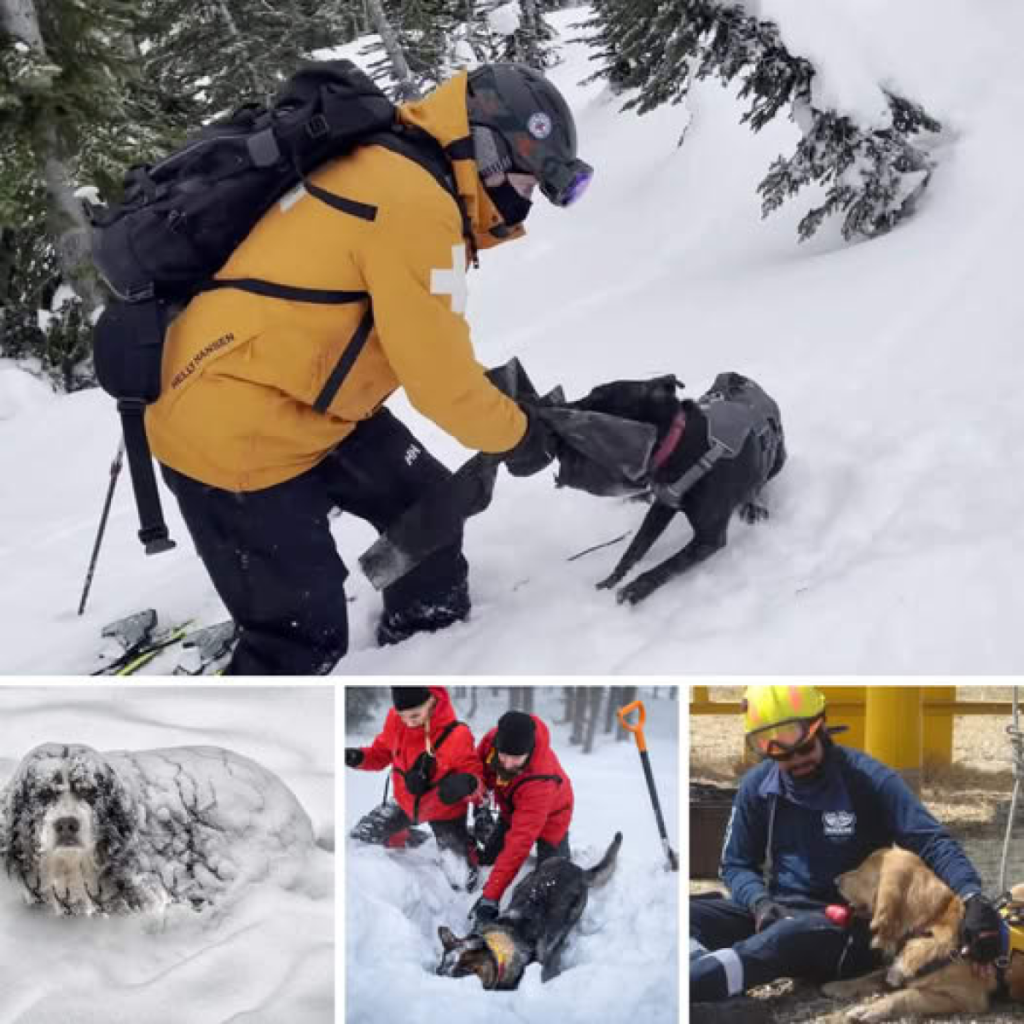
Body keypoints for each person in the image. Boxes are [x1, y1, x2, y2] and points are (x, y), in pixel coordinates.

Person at [145, 64, 595, 674]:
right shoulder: (415, 203)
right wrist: (517, 435)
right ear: (486, 153)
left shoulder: (406, 174)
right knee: (302, 637)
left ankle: (422, 651)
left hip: (308, 401)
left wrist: (499, 408)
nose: (524, 204)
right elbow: (439, 383)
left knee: (427, 509)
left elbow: (421, 346)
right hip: (229, 433)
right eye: (526, 181)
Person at [689, 685, 1005, 1024]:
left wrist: (973, 899)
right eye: (779, 754)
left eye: (805, 746)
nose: (795, 759)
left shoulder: (868, 779)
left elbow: (932, 841)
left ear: (821, 726)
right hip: (776, 908)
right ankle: (709, 992)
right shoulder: (756, 788)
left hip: (845, 926)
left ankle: (691, 986)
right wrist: (760, 903)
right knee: (686, 912)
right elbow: (735, 865)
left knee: (784, 940)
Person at [346, 686, 482, 888]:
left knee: (460, 880)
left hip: (445, 811)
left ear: (432, 702)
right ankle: (409, 836)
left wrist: (467, 783)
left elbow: (477, 779)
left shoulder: (458, 735)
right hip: (404, 802)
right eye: (403, 716)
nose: (408, 723)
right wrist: (360, 758)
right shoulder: (395, 721)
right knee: (359, 838)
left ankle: (465, 842)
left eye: (415, 715)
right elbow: (381, 752)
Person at [469, 710, 574, 926]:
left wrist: (491, 898)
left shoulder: (540, 781)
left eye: (516, 758)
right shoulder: (492, 741)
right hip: (511, 810)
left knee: (551, 879)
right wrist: (479, 804)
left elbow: (518, 844)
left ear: (529, 751)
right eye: (503, 755)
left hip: (553, 817)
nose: (507, 764)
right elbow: (477, 771)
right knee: (488, 859)